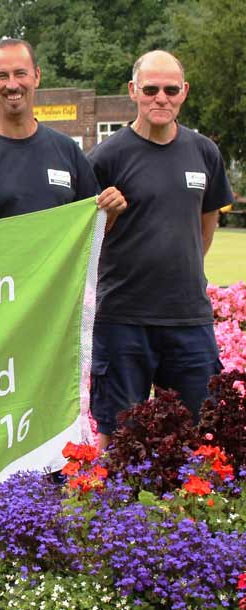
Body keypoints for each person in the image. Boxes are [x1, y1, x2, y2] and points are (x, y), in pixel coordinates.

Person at [88, 50, 233, 450]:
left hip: (189, 318)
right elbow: (86, 242)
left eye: (171, 90)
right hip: (123, 318)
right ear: (133, 91)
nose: (161, 98)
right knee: (118, 437)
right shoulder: (106, 157)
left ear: (184, 93)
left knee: (197, 432)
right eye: (151, 89)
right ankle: (112, 512)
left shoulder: (204, 153)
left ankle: (187, 512)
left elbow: (205, 227)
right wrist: (109, 218)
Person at [0, 39, 126, 224]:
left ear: (37, 76)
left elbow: (91, 230)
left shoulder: (68, 151)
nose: (12, 85)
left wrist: (109, 213)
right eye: (2, 76)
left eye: (20, 73)